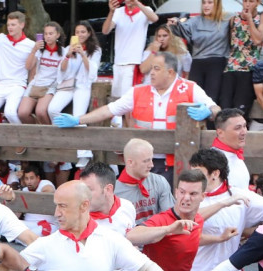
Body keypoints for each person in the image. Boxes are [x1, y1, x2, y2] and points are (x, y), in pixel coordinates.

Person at [19, 181, 179, 271]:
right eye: (56, 206)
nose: (56, 213)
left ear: (84, 206)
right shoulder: (47, 244)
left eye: (62, 206)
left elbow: (149, 267)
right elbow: (9, 264)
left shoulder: (111, 240)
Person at [58, 51, 219, 178]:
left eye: (156, 69)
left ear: (170, 72)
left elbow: (216, 109)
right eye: (151, 69)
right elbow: (110, 109)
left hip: (176, 162)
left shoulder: (190, 88)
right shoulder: (138, 91)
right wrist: (78, 119)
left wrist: (208, 112)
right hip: (142, 162)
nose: (151, 73)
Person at [166, 0, 231, 105]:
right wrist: (175, 22)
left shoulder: (227, 20)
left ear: (217, 4)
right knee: (193, 97)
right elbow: (182, 27)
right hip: (197, 62)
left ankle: (211, 121)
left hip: (217, 62)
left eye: (210, 2)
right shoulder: (195, 21)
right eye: (204, 3)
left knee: (212, 98)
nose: (206, 6)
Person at [102, 0, 156, 102]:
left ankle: (128, 119)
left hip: (133, 63)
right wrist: (111, 12)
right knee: (116, 100)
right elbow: (105, 31)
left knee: (127, 100)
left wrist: (136, 3)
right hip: (118, 62)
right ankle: (119, 119)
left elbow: (154, 18)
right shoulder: (118, 12)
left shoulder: (145, 10)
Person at [222, 0, 263, 114]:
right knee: (225, 107)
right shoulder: (233, 19)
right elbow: (230, 42)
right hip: (231, 68)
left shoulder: (262, 17)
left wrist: (249, 19)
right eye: (245, 1)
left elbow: (257, 40)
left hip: (249, 69)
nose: (247, 4)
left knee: (240, 109)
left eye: (251, 1)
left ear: (258, 3)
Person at [49, 22, 101, 126]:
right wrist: (67, 55)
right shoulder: (68, 48)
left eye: (83, 32)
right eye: (77, 32)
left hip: (82, 86)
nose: (80, 35)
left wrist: (82, 54)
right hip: (67, 85)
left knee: (79, 117)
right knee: (52, 109)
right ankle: (61, 132)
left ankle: (80, 140)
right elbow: (62, 69)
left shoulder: (96, 50)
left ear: (89, 33)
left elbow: (92, 70)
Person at [115, 138, 176, 221]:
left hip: (159, 231)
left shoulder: (159, 181)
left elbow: (169, 216)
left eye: (151, 159)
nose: (151, 165)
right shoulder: (115, 192)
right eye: (146, 161)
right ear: (130, 163)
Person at [21, 21, 66, 125]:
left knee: (40, 112)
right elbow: (28, 66)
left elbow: (64, 70)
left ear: (57, 35)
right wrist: (34, 50)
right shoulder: (40, 50)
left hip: (51, 85)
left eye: (51, 34)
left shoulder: (63, 52)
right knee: (22, 113)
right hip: (36, 83)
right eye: (45, 34)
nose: (48, 36)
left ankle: (50, 135)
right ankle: (35, 133)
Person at [210, 108, 250, 190]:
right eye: (238, 128)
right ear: (220, 133)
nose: (244, 132)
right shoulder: (213, 162)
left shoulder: (234, 152)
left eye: (244, 126)